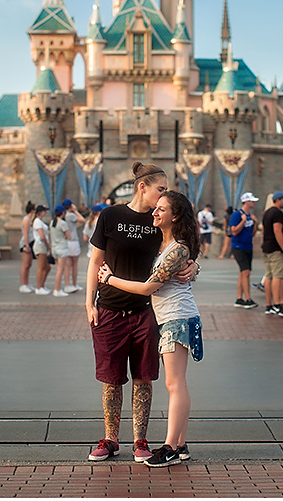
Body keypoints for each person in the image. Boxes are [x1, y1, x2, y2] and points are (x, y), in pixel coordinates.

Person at [85, 161, 197, 464]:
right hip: (108, 308)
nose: (165, 196)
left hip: (146, 312)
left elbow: (182, 250)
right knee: (111, 379)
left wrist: (194, 265)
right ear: (142, 187)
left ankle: (140, 441)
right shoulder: (110, 216)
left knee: (144, 379)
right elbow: (95, 261)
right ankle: (110, 440)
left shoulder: (158, 221)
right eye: (161, 189)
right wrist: (88, 302)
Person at [261, 191, 283, 318]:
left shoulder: (267, 212)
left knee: (268, 276)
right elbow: (277, 231)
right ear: (279, 200)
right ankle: (277, 305)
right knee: (277, 277)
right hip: (275, 249)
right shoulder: (278, 213)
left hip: (266, 247)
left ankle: (269, 305)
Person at [229, 193, 259, 309]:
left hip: (248, 246)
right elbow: (234, 231)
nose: (254, 203)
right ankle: (248, 299)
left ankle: (239, 298)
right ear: (246, 202)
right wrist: (243, 221)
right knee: (246, 272)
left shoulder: (251, 216)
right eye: (252, 201)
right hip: (238, 247)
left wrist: (255, 223)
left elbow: (252, 233)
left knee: (243, 273)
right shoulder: (237, 215)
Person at [61, 199, 84, 293]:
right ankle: (74, 284)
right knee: (74, 265)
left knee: (67, 265)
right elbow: (82, 220)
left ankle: (67, 284)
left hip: (66, 241)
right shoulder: (70, 215)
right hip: (73, 241)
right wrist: (75, 210)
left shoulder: (63, 216)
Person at [50, 205, 72, 297]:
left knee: (62, 267)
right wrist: (65, 236)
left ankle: (60, 287)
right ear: (63, 213)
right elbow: (69, 236)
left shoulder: (52, 222)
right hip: (62, 248)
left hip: (54, 248)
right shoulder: (62, 223)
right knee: (60, 270)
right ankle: (57, 289)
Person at [31, 205, 52, 295]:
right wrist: (48, 245)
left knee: (47, 267)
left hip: (42, 245)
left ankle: (42, 285)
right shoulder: (37, 222)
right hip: (40, 245)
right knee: (41, 267)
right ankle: (39, 287)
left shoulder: (40, 221)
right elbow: (42, 236)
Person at [18, 201, 36, 293]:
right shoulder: (26, 220)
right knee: (25, 264)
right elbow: (25, 233)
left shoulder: (29, 219)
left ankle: (27, 283)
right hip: (26, 243)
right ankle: (23, 284)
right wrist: (27, 245)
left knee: (29, 264)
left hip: (29, 242)